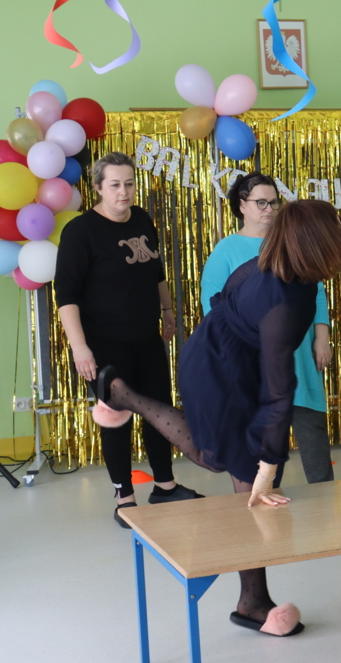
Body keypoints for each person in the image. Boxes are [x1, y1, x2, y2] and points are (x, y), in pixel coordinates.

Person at [92, 199, 341, 637]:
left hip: (236, 356)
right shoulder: (281, 301)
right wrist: (268, 467)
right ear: (311, 244)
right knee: (241, 473)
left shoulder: (287, 270)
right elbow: (280, 394)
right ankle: (253, 604)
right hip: (218, 365)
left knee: (221, 460)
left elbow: (231, 302)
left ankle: (119, 394)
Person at [55, 152, 201, 528]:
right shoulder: (80, 231)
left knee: (158, 413)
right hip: (104, 343)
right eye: (115, 185)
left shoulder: (141, 219)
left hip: (146, 337)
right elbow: (66, 296)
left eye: (129, 184)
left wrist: (167, 310)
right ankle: (125, 498)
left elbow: (156, 271)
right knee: (116, 419)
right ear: (98, 188)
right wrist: (79, 348)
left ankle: (165, 486)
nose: (124, 192)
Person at [201, 172, 335, 485]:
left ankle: (326, 496)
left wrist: (321, 336)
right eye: (260, 202)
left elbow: (316, 290)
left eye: (274, 202)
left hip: (298, 354)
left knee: (311, 426)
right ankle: (265, 495)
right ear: (241, 205)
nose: (269, 209)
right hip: (252, 361)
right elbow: (213, 308)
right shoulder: (225, 250)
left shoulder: (292, 242)